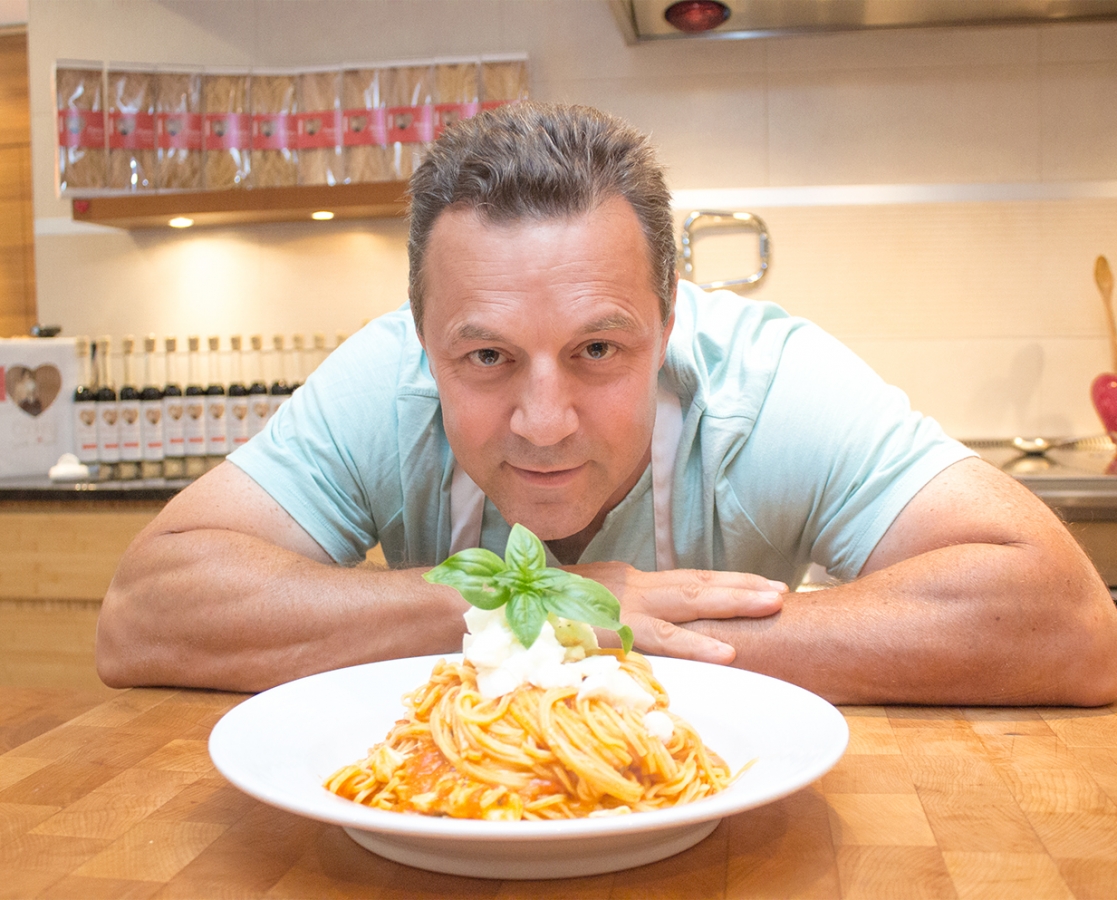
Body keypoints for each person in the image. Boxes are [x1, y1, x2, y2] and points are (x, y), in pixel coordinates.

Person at [97, 102, 1117, 706]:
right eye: (487, 356)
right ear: (423, 345)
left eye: (597, 348)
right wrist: (515, 610)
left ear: (672, 321)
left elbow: (1065, 620)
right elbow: (146, 615)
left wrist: (634, 635)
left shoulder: (768, 386)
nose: (543, 419)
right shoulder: (382, 380)